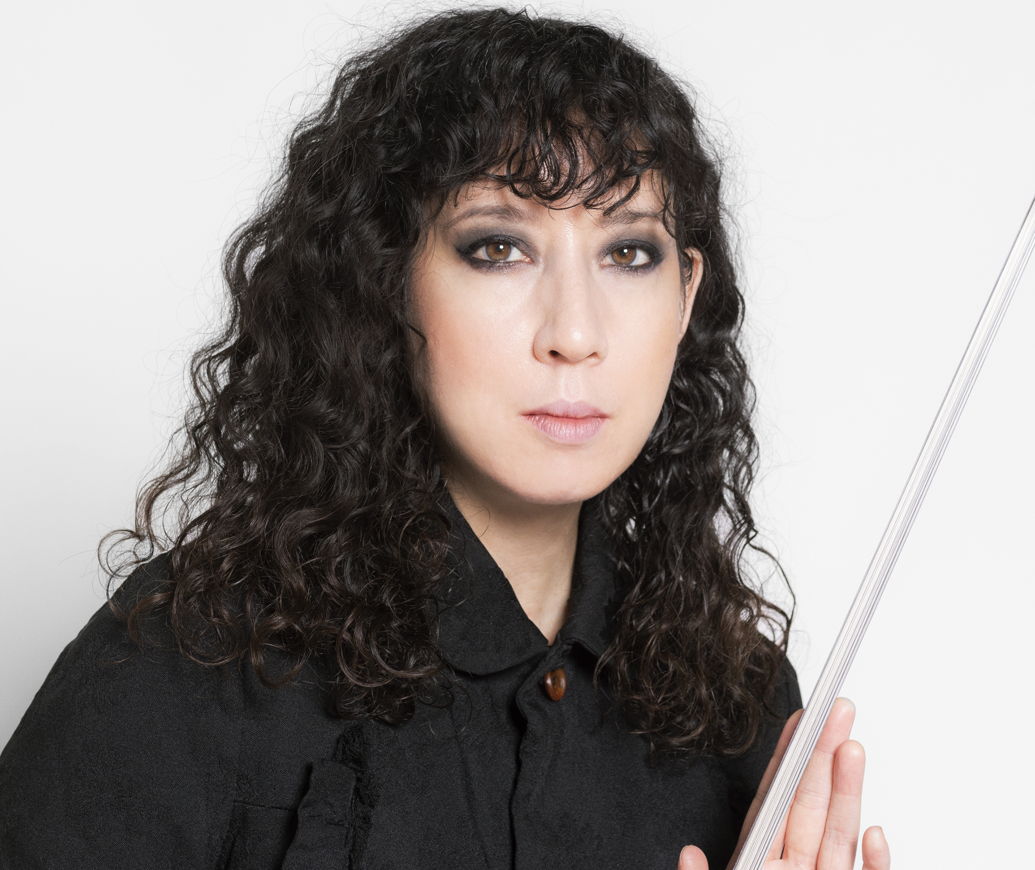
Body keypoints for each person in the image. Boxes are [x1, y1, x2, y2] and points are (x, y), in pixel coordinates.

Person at [0, 6, 890, 869]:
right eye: (498, 248)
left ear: (686, 294)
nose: (575, 332)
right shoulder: (183, 663)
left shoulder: (736, 704)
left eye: (628, 254)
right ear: (383, 283)